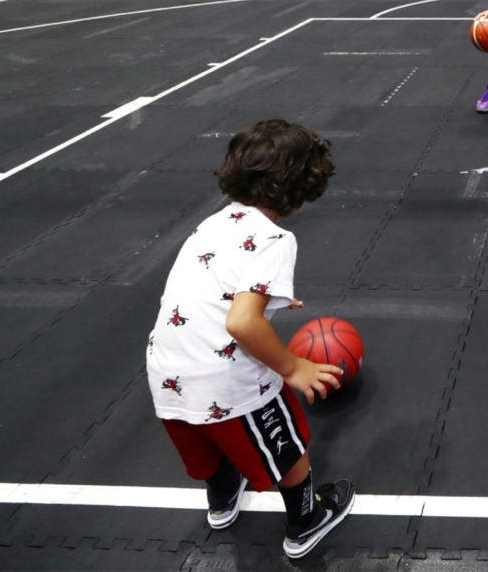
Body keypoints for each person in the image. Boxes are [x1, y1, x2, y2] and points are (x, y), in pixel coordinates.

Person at [146, 119, 355, 560]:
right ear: (302, 185)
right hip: (224, 375)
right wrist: (293, 368)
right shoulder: (275, 239)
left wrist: (272, 301)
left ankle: (222, 499)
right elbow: (242, 323)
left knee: (201, 436)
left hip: (167, 366)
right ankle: (305, 522)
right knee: (288, 441)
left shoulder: (213, 223)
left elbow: (213, 288)